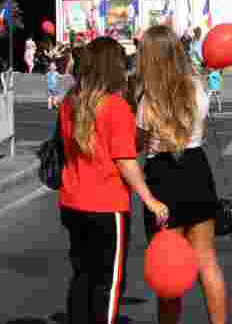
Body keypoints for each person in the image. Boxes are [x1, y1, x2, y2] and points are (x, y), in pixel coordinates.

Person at [56, 37, 169, 324]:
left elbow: (96, 146)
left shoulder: (70, 101)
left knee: (82, 276)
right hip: (107, 205)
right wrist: (150, 199)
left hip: (72, 201)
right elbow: (124, 161)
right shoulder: (115, 105)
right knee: (109, 282)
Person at [135, 25, 228, 324]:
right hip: (197, 167)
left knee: (169, 265)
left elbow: (138, 143)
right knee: (206, 260)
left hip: (163, 176)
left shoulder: (148, 100)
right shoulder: (197, 88)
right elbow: (201, 128)